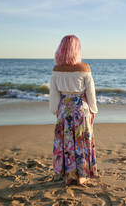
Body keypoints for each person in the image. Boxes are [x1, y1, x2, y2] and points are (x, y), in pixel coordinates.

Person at [49, 35, 98, 186]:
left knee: (67, 142)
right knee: (82, 140)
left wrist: (55, 111)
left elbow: (53, 94)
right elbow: (91, 93)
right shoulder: (84, 68)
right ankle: (82, 175)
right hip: (81, 109)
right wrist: (93, 110)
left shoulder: (57, 70)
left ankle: (69, 174)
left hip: (64, 108)